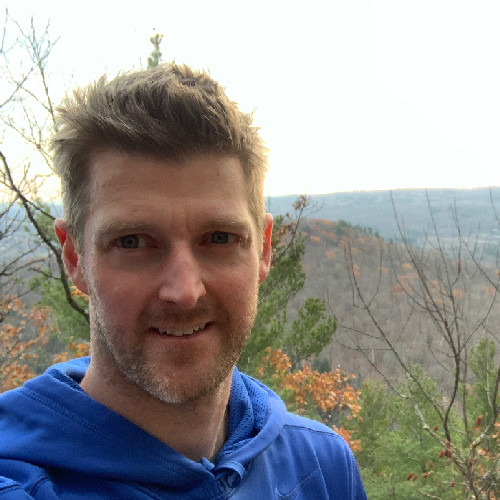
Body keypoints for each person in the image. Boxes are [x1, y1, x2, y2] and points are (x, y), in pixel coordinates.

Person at [0, 63, 367, 499]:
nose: (184, 292)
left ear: (264, 250)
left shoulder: (322, 467)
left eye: (219, 238)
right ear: (74, 258)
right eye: (133, 242)